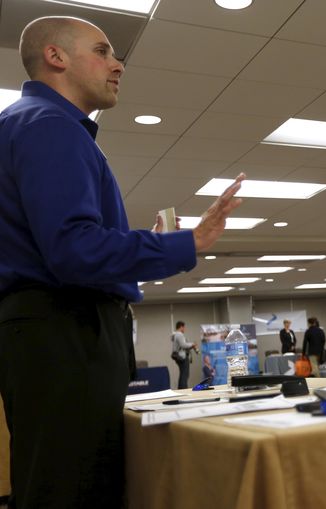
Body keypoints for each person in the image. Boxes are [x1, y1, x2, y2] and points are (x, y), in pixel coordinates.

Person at [0, 16, 246, 509]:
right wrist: (187, 243)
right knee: (75, 489)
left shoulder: (24, 124)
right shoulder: (50, 127)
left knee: (54, 481)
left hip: (45, 334)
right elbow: (74, 251)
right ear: (56, 57)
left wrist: (140, 245)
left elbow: (63, 243)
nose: (119, 64)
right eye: (104, 51)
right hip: (67, 331)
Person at [171, 321, 197, 389]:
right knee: (185, 375)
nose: (184, 329)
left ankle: (180, 389)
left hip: (178, 356)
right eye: (184, 327)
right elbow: (183, 345)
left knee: (182, 374)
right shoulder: (179, 334)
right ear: (181, 327)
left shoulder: (175, 335)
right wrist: (192, 344)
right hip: (182, 357)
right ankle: (184, 389)